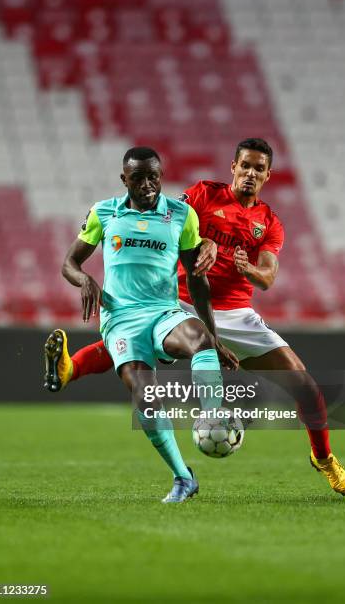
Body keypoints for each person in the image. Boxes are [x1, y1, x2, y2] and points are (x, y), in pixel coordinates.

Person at [45, 138, 345, 496]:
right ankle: (209, 415)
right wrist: (205, 244)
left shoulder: (269, 223)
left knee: (305, 386)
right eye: (245, 166)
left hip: (237, 312)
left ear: (268, 175)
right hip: (184, 300)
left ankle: (325, 459)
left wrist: (248, 268)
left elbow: (268, 277)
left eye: (259, 168)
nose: (250, 173)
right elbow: (167, 218)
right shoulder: (204, 195)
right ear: (233, 168)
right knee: (139, 347)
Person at [56, 146, 237, 504]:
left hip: (163, 312)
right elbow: (69, 263)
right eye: (138, 177)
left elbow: (198, 281)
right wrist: (85, 280)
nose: (148, 184)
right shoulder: (104, 213)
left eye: (153, 176)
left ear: (162, 175)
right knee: (146, 398)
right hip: (121, 319)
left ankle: (212, 417)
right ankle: (183, 477)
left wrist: (214, 337)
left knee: (198, 339)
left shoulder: (181, 215)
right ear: (124, 179)